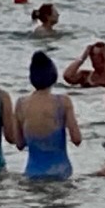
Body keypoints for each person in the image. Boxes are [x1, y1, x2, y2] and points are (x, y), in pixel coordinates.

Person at [10, 51, 82, 179]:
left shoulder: (21, 104)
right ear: (53, 75)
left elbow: (20, 144)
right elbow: (76, 139)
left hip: (32, 174)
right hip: (61, 173)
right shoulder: (62, 102)